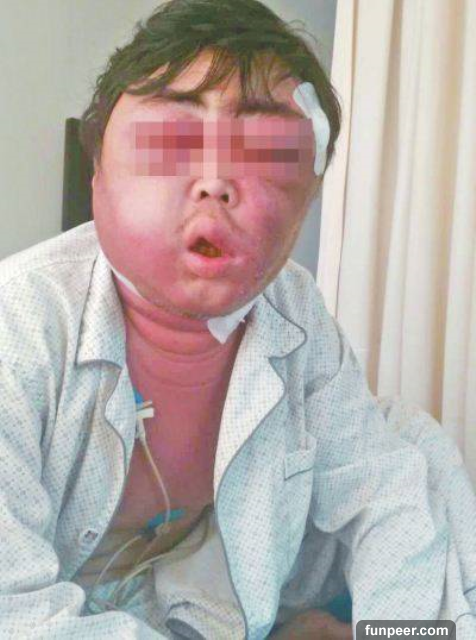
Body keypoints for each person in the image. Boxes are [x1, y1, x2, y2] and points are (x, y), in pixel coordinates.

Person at [1, 1, 476, 638]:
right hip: (73, 591)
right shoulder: (20, 328)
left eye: (267, 151)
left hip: (215, 575)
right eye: (172, 142)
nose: (216, 181)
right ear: (98, 172)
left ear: (306, 202)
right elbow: (15, 609)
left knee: (408, 444)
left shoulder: (291, 305)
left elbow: (378, 486)